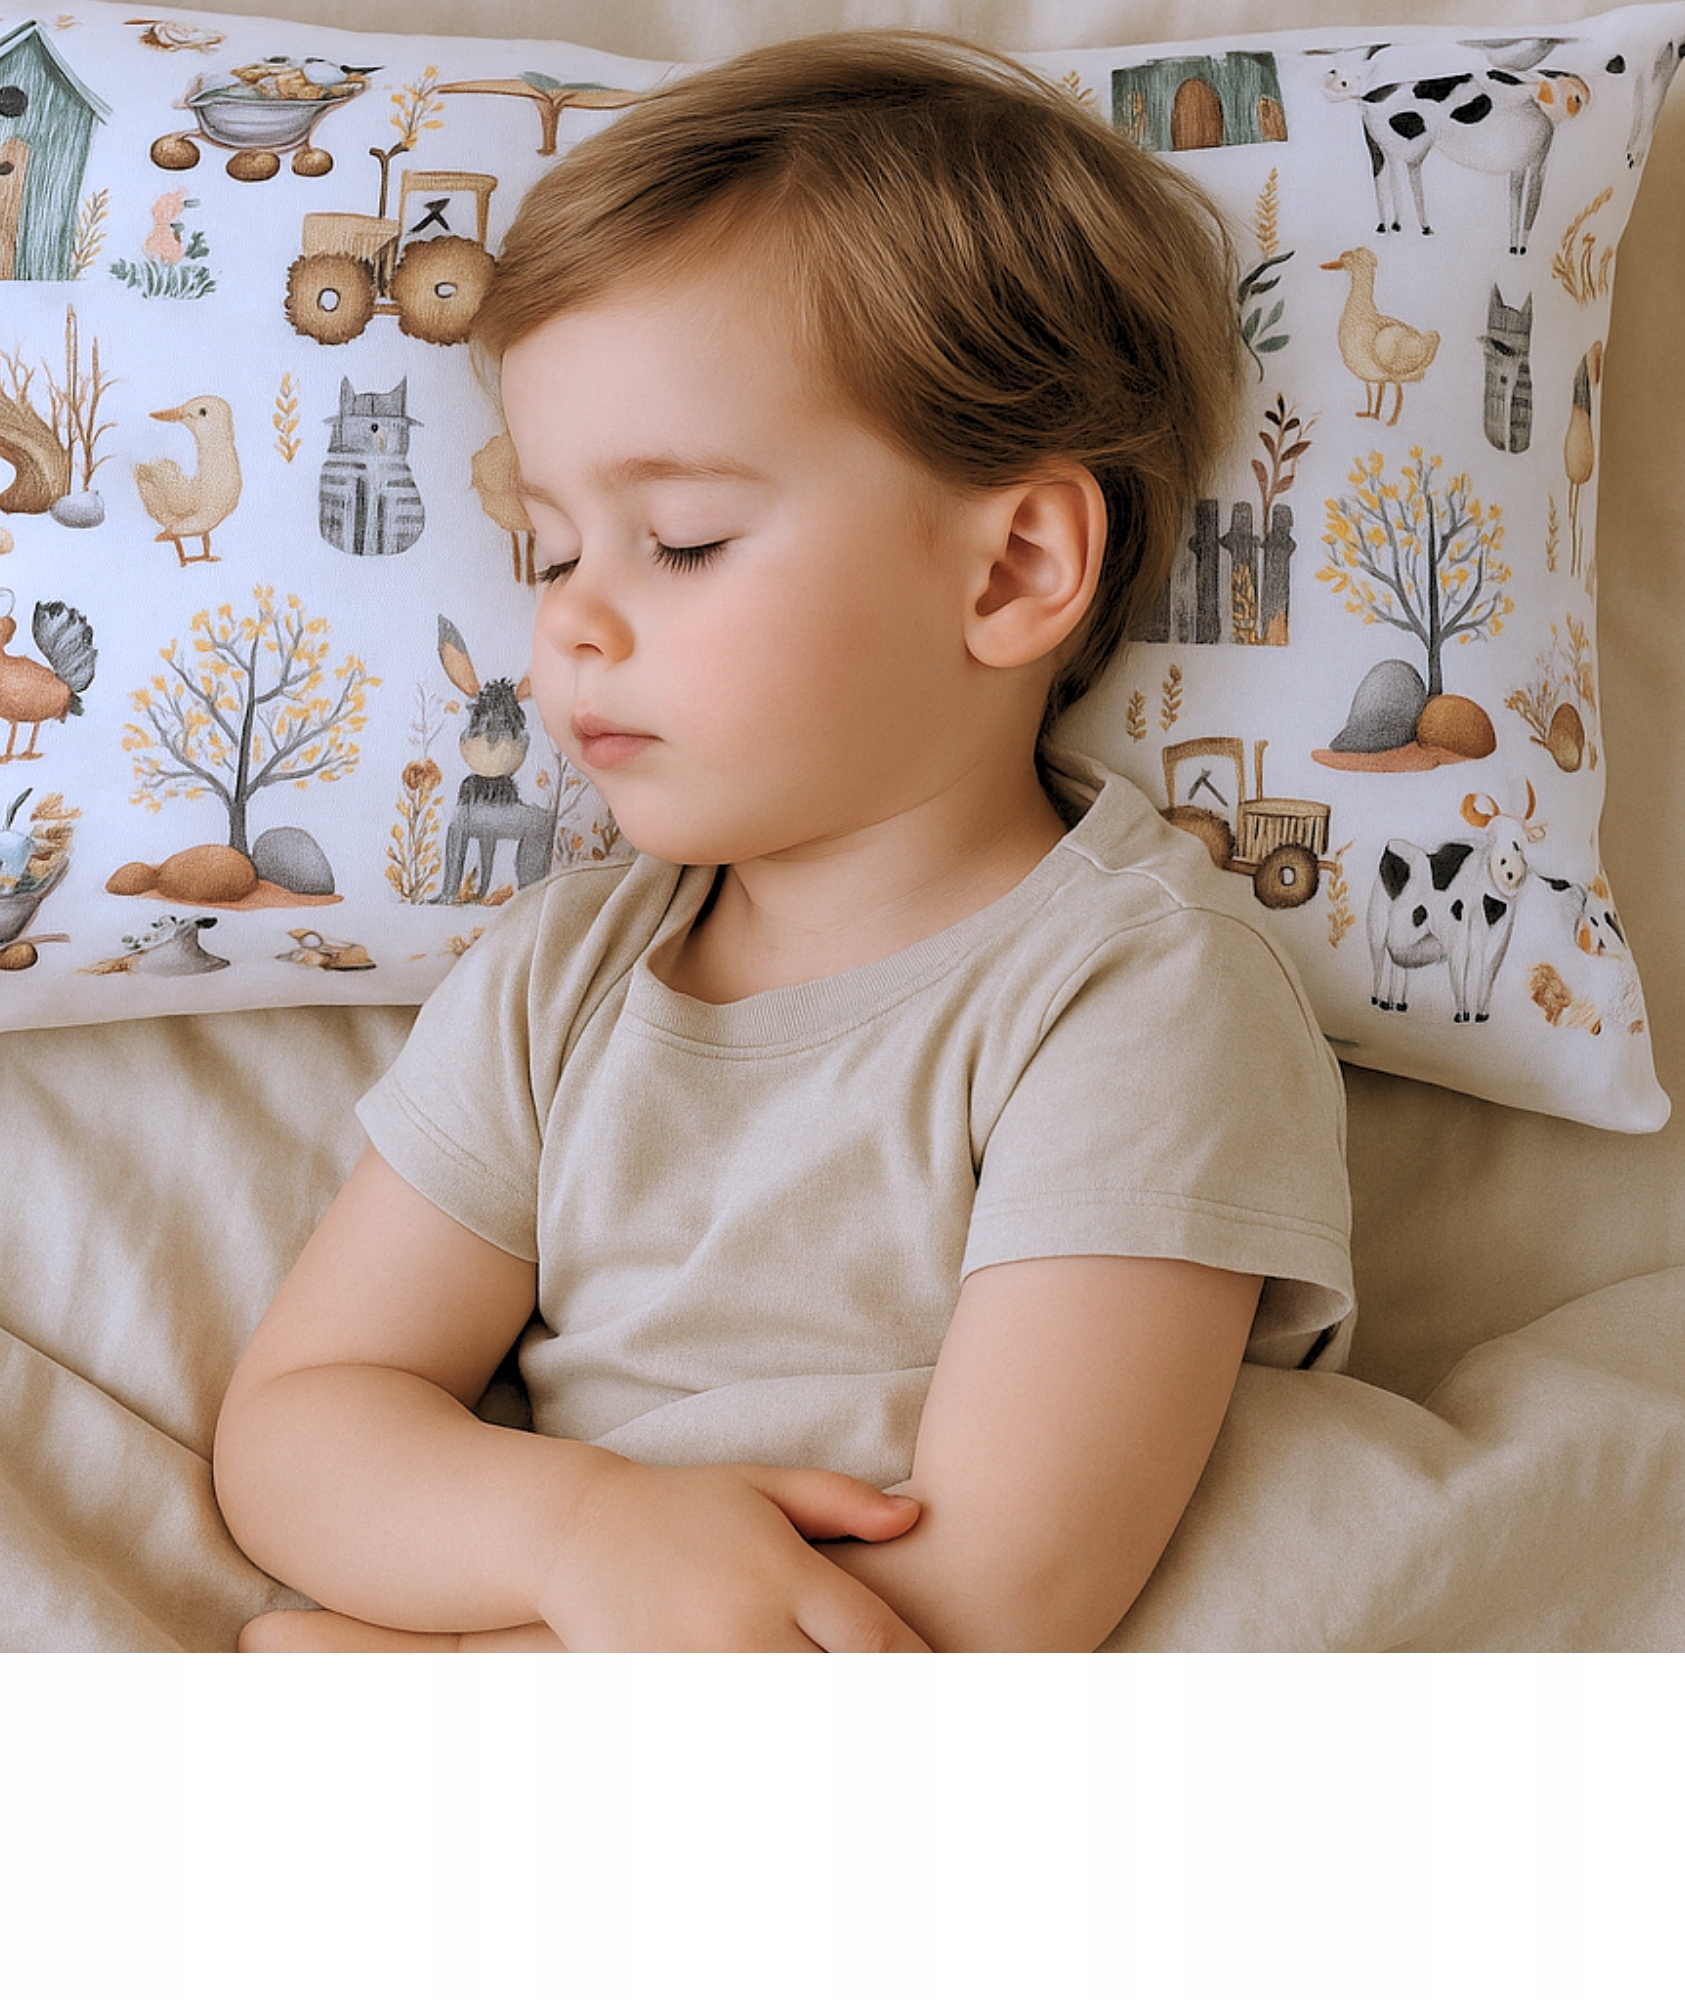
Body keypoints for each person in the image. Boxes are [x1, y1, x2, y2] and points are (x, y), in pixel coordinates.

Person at [213, 31, 1353, 1651]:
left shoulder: (1141, 995)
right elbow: (300, 1427)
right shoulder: (563, 975)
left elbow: (993, 1602)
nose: (571, 626)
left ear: (1013, 569)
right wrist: (573, 1537)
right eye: (551, 550)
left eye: (682, 541)